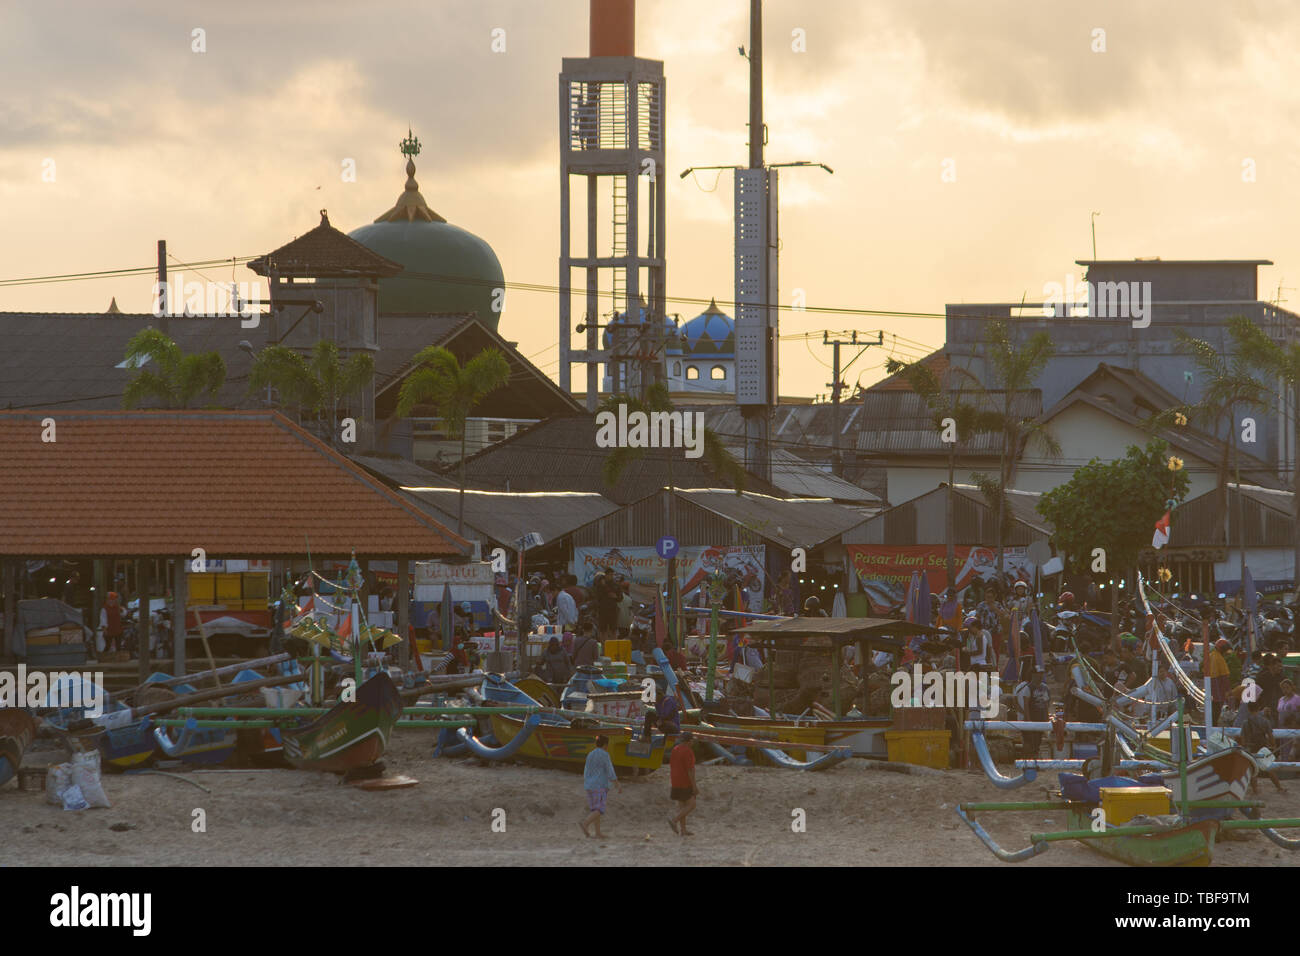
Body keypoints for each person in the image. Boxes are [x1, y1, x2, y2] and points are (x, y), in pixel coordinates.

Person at [1241, 700, 1286, 794]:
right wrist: (1273, 746)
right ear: (1259, 708)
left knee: (1253, 770)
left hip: (1250, 748)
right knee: (1269, 768)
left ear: (1248, 709)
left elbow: (1243, 740)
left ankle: (1255, 790)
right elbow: (1270, 736)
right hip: (1262, 747)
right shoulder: (1265, 721)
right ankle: (1279, 787)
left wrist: (1245, 747)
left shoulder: (1245, 723)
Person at [581, 735, 621, 837]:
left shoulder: (590, 754)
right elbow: (610, 770)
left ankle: (598, 833)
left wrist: (586, 782)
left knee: (595, 809)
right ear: (605, 745)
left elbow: (586, 770)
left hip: (589, 785)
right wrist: (617, 784)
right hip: (599, 785)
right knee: (599, 809)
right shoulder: (605, 755)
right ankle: (585, 823)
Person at [667, 730, 698, 836]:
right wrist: (694, 786)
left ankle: (683, 830)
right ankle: (674, 820)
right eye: (692, 740)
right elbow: (690, 770)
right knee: (691, 804)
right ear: (689, 741)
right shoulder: (688, 751)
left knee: (682, 806)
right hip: (684, 781)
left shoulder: (675, 749)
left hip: (675, 780)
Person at [1204, 638, 1231, 723]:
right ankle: (1213, 727)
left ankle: (1210, 725)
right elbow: (1224, 676)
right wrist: (1228, 690)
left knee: (1211, 709)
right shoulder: (1219, 658)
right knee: (1217, 709)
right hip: (1218, 686)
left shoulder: (1210, 655)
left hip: (1210, 685)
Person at [594, 570, 622, 642]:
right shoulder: (599, 585)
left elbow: (620, 598)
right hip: (602, 610)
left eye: (612, 575)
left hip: (613, 610)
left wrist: (616, 597)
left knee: (613, 629)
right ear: (606, 575)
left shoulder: (616, 585)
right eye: (610, 575)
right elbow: (597, 596)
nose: (611, 576)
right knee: (603, 629)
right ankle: (604, 646)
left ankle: (613, 645)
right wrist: (603, 586)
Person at [98, 591, 125, 659]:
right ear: (107, 600)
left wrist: (122, 610)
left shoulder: (118, 608)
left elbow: (124, 614)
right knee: (108, 645)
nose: (112, 601)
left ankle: (119, 659)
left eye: (113, 600)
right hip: (109, 629)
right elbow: (103, 620)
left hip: (118, 629)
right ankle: (103, 658)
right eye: (110, 600)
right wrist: (104, 629)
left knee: (118, 646)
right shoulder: (104, 609)